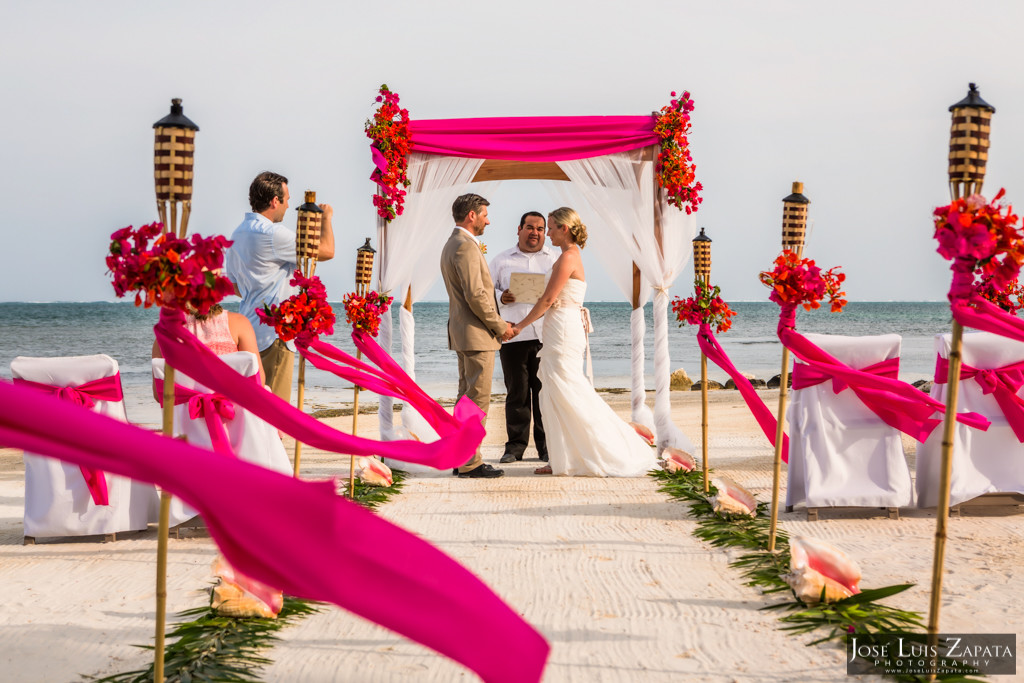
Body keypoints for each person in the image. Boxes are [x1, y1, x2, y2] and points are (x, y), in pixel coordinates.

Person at [512, 208, 659, 477]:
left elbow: (546, 300)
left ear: (564, 229)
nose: (549, 233)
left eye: (552, 227)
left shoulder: (568, 257)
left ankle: (603, 450)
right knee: (554, 393)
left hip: (564, 329)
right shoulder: (564, 257)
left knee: (568, 389)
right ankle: (561, 458)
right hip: (559, 327)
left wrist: (519, 326)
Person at [225, 171, 335, 403]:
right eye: (286, 200)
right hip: (274, 333)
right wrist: (326, 219)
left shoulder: (237, 234)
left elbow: (235, 287)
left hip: (247, 330)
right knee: (275, 409)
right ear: (275, 201)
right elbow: (326, 251)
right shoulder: (272, 234)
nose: (287, 206)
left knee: (252, 406)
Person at [439, 193, 513, 478]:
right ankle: (470, 462)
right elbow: (475, 294)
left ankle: (461, 457)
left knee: (465, 398)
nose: (488, 220)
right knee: (477, 400)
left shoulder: (453, 244)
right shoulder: (465, 247)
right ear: (471, 215)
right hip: (476, 334)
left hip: (464, 332)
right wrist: (499, 325)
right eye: (484, 214)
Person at [490, 211, 558, 464]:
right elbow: (486, 292)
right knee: (516, 394)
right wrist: (501, 297)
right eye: (530, 227)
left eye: (540, 229)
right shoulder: (501, 260)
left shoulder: (555, 259)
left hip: (547, 336)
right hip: (513, 336)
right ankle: (515, 447)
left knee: (545, 395)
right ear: (519, 229)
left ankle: (546, 447)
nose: (535, 232)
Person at [151, 304, 266, 401]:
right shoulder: (239, 323)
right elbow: (258, 381)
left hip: (188, 423)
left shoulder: (165, 334)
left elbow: (159, 395)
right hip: (236, 420)